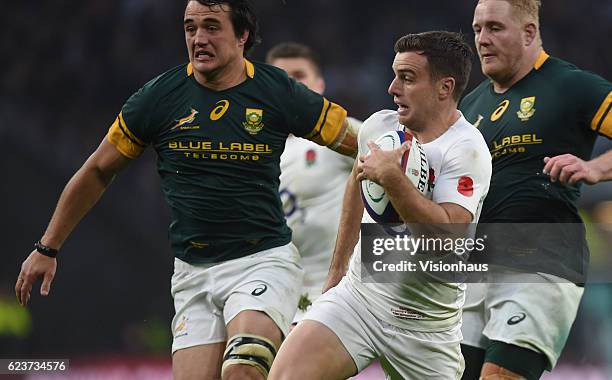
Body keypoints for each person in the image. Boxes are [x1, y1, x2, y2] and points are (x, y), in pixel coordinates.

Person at [14, 1, 357, 379]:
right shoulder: (159, 97)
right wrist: (47, 247)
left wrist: (416, 156)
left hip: (262, 262)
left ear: (242, 35)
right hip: (192, 274)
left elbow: (359, 141)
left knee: (242, 370)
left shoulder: (277, 92)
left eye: (212, 27)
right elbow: (97, 170)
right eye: (190, 27)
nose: (198, 38)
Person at [268, 31, 492, 380]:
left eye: (407, 78)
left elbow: (446, 239)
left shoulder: (467, 150)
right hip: (360, 299)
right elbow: (355, 184)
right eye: (394, 74)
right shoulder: (380, 126)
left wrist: (393, 180)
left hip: (425, 324)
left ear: (444, 88)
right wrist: (337, 271)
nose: (392, 87)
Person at [459, 1, 612, 379]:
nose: (482, 39)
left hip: (540, 259)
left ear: (529, 33)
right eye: (477, 29)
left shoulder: (572, 85)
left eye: (494, 28)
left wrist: (594, 167)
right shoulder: (471, 105)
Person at [266, 42, 361, 323]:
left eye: (299, 76)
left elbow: (396, 156)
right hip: (272, 291)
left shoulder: (340, 136)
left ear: (319, 85)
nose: (290, 86)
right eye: (280, 78)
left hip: (334, 292)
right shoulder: (251, 149)